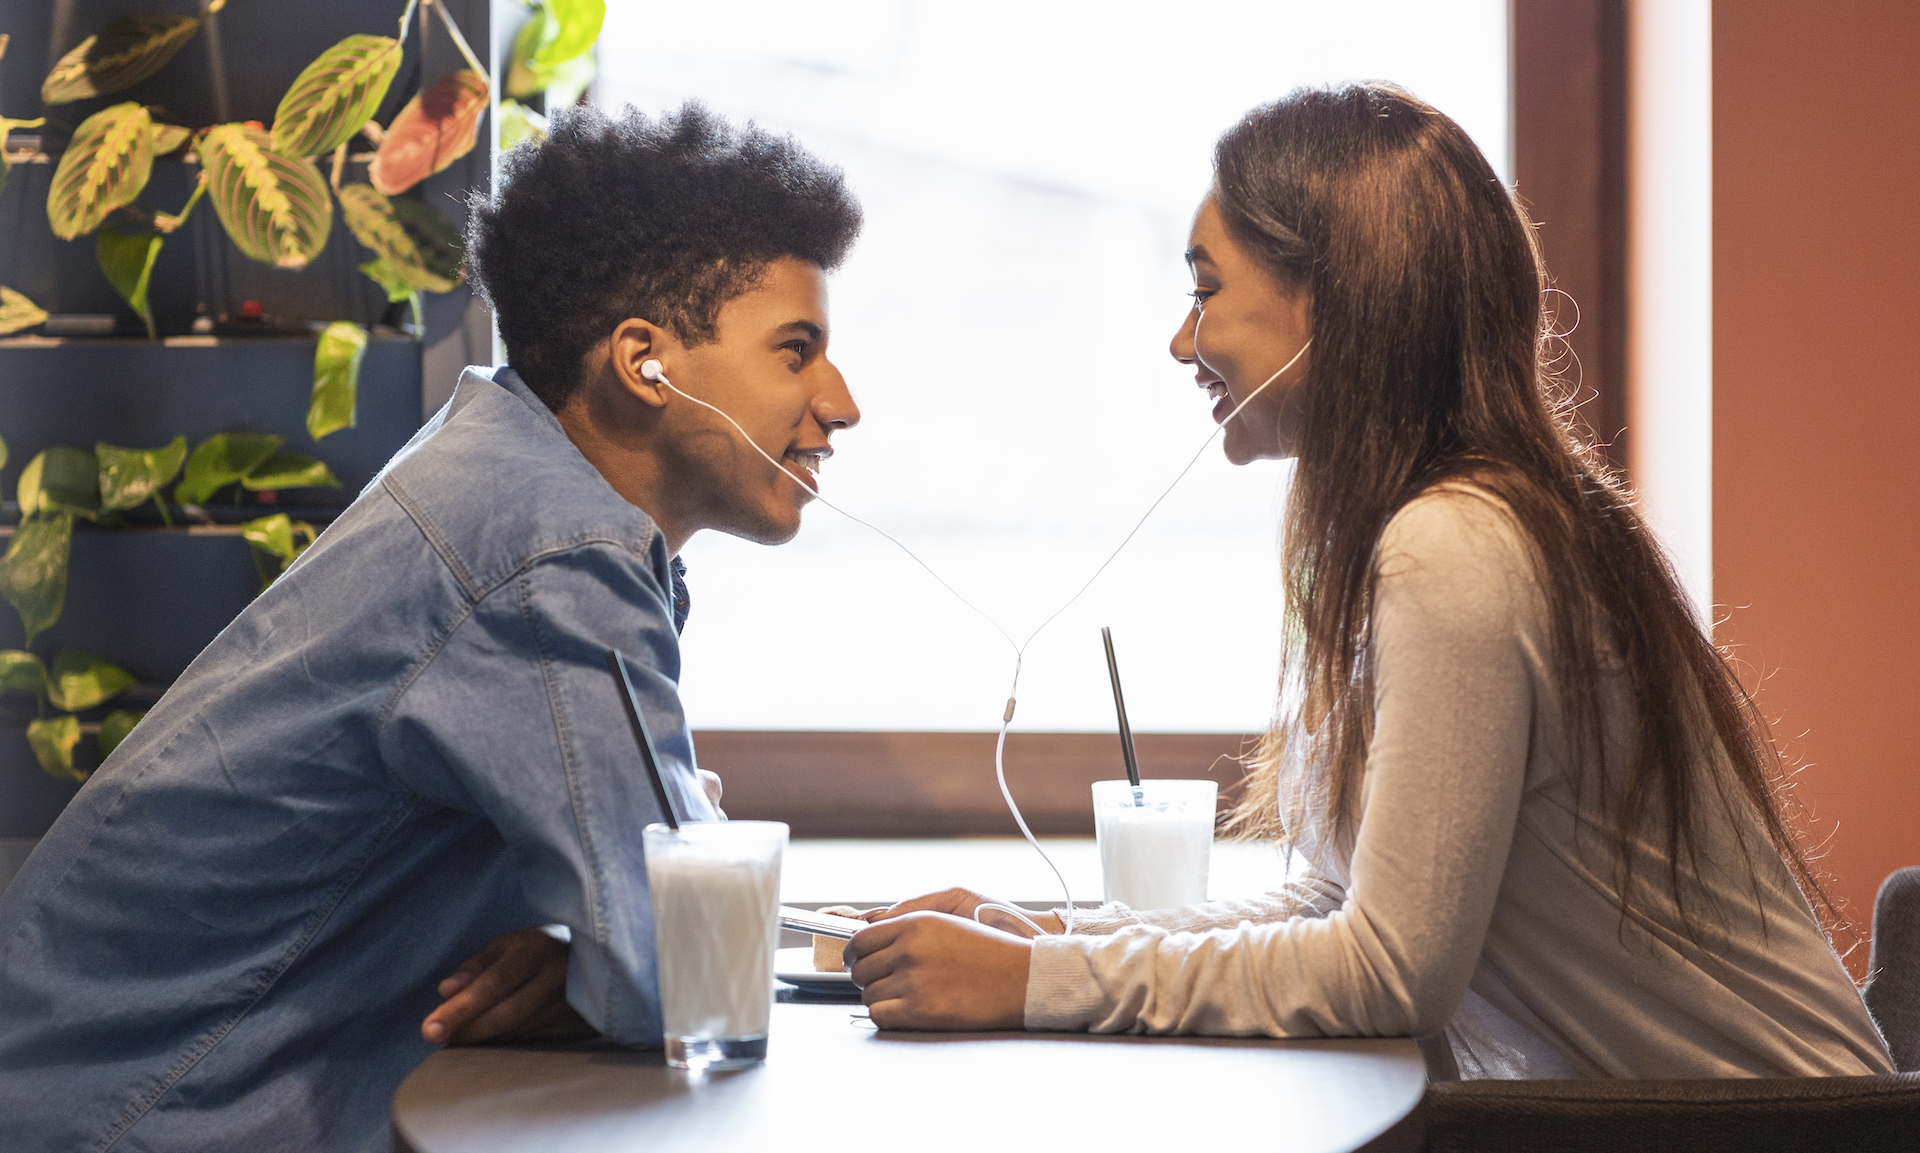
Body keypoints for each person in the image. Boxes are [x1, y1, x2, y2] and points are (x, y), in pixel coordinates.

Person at [843, 83, 1895, 1080]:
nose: (1182, 338)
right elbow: (1332, 902)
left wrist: (1038, 982)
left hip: (1784, 1126)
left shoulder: (1456, 547)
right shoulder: (1446, 522)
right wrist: (1050, 936)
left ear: (1338, 304)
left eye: (1207, 290)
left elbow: (1391, 971)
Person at [0, 103, 862, 1150]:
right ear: (647, 363)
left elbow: (644, 922)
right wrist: (606, 956)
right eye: (796, 351)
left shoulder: (499, 471)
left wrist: (578, 946)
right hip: (142, 1120)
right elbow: (677, 972)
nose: (842, 401)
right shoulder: (551, 549)